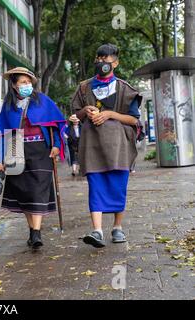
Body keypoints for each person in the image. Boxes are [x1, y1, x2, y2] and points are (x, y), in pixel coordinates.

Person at [71, 44, 142, 248]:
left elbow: (133, 119)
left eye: (106, 59)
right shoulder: (84, 87)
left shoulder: (125, 89)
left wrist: (110, 114)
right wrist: (86, 110)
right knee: (96, 186)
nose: (102, 63)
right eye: (99, 58)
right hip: (92, 146)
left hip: (119, 147)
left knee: (118, 186)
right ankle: (97, 230)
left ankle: (117, 228)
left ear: (116, 63)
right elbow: (75, 115)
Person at [0, 67, 66, 249]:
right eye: (22, 83)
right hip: (15, 148)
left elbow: (56, 125)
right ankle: (33, 230)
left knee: (37, 190)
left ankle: (36, 232)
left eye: (28, 82)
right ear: (14, 85)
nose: (26, 86)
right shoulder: (8, 106)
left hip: (41, 149)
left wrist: (56, 145)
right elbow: (1, 133)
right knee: (23, 191)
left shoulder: (43, 101)